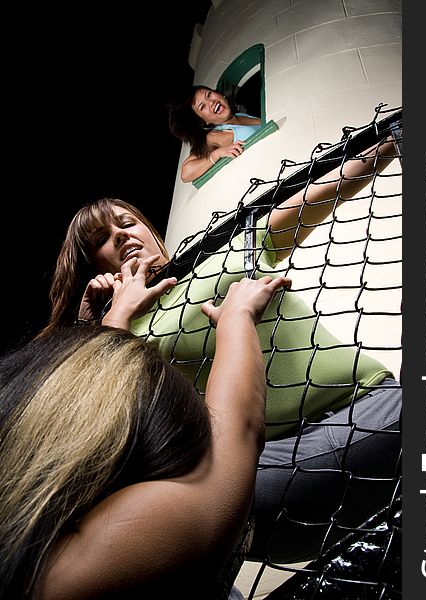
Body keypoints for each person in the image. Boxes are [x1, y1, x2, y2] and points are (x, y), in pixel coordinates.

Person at [40, 137, 402, 563]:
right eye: (103, 237)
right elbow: (91, 423)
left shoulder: (225, 250)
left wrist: (391, 143)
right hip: (269, 466)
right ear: (96, 264)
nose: (121, 235)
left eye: (127, 222)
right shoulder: (122, 330)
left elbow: (313, 197)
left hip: (367, 407)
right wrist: (93, 321)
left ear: (149, 228)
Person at [0, 272, 290, 599]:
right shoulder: (71, 577)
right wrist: (238, 315)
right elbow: (238, 431)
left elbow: (89, 407)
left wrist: (115, 316)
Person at [168, 85, 261, 182]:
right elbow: (185, 173)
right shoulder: (216, 136)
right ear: (204, 121)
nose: (211, 102)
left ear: (219, 94)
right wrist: (217, 154)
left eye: (209, 95)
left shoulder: (238, 115)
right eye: (203, 106)